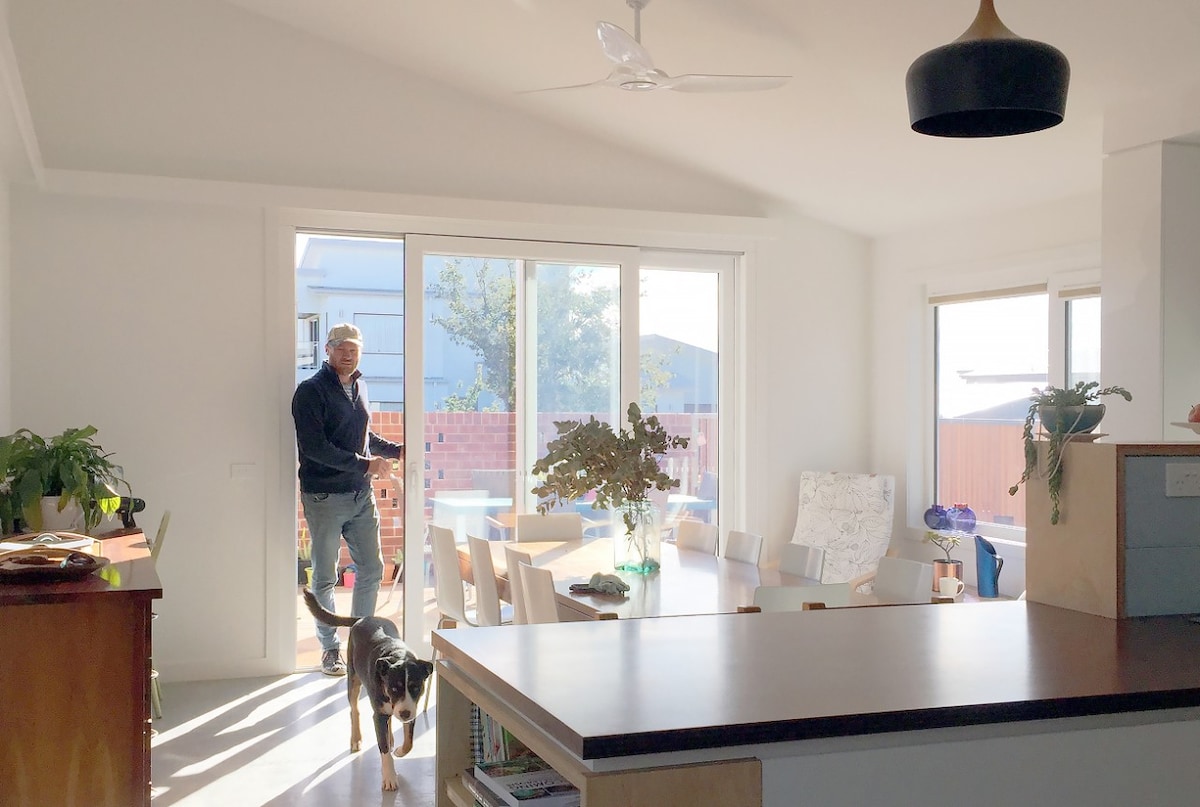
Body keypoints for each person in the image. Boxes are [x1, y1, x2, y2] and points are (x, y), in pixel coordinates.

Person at [292, 323, 404, 676]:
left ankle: (362, 645)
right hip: (324, 495)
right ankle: (330, 649)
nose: (347, 352)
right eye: (340, 346)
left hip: (360, 495)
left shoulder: (359, 387)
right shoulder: (310, 392)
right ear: (327, 350)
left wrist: (395, 449)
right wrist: (367, 465)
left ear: (360, 351)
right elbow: (316, 448)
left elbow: (362, 435)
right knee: (325, 578)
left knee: (372, 568)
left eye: (353, 347)